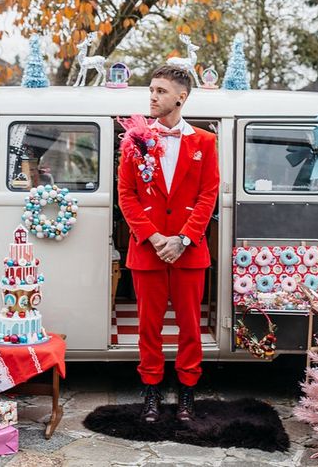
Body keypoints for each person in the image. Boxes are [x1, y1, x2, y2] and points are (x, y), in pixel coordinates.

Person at [117, 65, 220, 423]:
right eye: (151, 90)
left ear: (181, 97)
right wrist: (156, 237)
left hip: (189, 251)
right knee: (149, 326)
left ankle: (187, 393)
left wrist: (184, 238)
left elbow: (209, 195)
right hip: (148, 250)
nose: (153, 97)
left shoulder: (206, 142)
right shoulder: (134, 139)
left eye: (161, 91)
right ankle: (151, 392)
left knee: (191, 327)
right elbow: (126, 196)